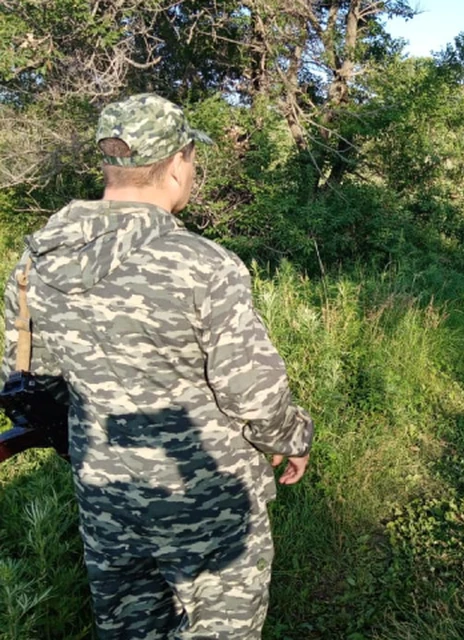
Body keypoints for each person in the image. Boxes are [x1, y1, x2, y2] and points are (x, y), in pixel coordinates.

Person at [1, 93, 315, 638]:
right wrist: (294, 437)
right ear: (176, 164)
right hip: (206, 505)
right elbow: (254, 396)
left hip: (106, 500)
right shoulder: (203, 266)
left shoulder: (35, 263)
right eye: (192, 159)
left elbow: (28, 379)